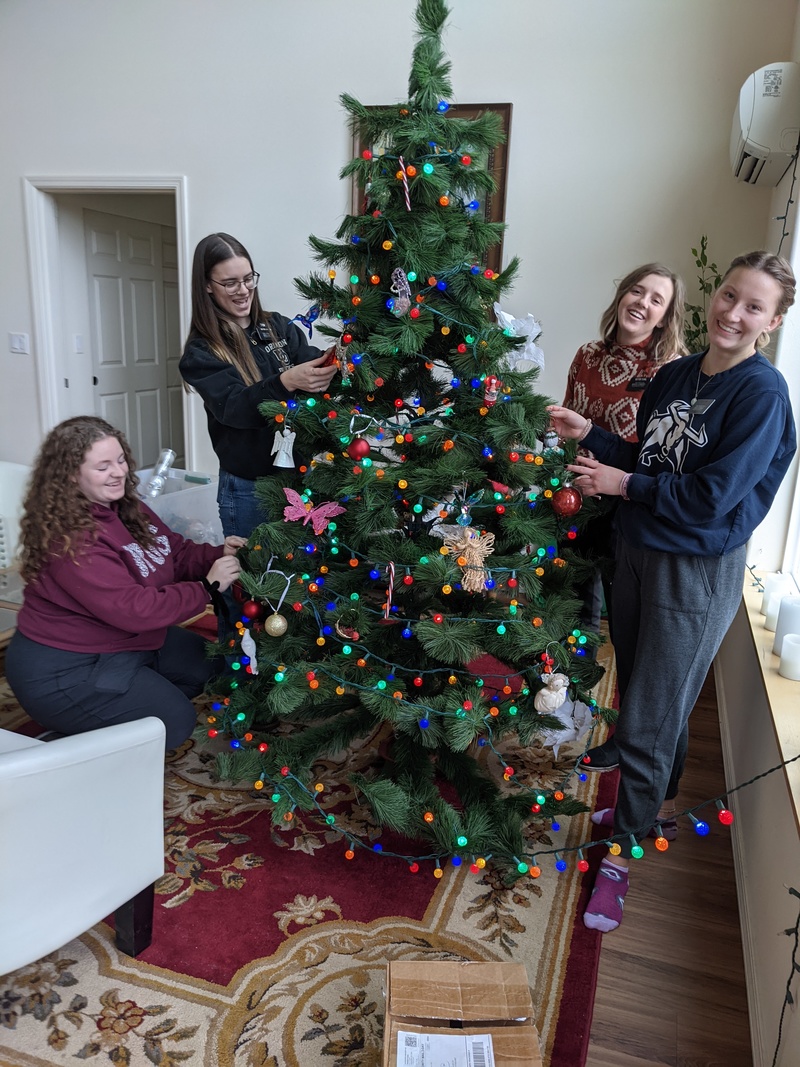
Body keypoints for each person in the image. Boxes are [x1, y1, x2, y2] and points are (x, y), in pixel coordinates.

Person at [547, 250, 797, 932]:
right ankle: (652, 803)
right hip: (635, 549)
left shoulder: (762, 395)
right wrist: (594, 435)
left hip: (693, 568)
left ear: (771, 324)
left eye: (753, 306)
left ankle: (622, 855)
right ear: (713, 298)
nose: (734, 312)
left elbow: (714, 498)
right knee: (646, 687)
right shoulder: (676, 375)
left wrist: (624, 485)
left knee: (653, 711)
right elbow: (649, 459)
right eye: (729, 296)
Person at [5, 416, 244, 750]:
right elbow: (135, 609)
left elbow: (173, 552)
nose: (118, 472)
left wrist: (219, 552)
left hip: (126, 641)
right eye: (102, 467)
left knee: (209, 662)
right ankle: (66, 738)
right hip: (66, 668)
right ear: (71, 475)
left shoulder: (127, 508)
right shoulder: (71, 539)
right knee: (173, 725)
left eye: (120, 460)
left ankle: (125, 703)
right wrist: (206, 588)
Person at [563, 263, 687, 771]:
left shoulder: (672, 371)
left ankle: (626, 736)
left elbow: (663, 454)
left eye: (656, 299)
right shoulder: (587, 355)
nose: (642, 302)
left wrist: (611, 473)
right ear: (621, 296)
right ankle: (565, 706)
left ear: (664, 317)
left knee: (628, 630)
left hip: (630, 508)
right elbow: (569, 423)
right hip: (575, 500)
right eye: (637, 290)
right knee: (573, 612)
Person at [179, 232, 339, 539]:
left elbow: (314, 370)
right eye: (230, 283)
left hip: (299, 478)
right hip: (248, 489)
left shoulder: (277, 326)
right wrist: (285, 381)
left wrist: (335, 362)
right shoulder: (201, 353)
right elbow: (236, 408)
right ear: (207, 286)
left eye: (248, 278)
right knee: (256, 580)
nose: (243, 290)